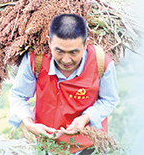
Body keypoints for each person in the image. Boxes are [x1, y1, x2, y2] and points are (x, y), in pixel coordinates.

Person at [8, 14, 119, 154]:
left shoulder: (101, 62)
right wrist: (29, 123)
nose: (66, 60)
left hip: (87, 145)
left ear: (86, 44)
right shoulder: (36, 59)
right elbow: (18, 94)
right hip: (47, 143)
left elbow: (109, 100)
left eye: (74, 52)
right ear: (49, 42)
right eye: (59, 51)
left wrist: (85, 118)